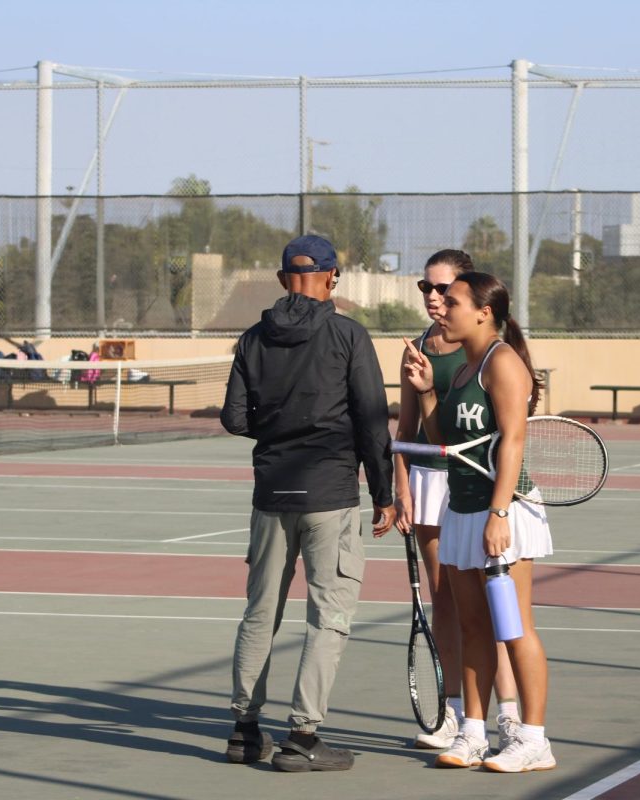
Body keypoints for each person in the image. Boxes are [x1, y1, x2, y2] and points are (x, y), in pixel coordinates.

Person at [220, 234, 396, 772]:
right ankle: (302, 736)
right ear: (333, 277)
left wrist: (276, 431)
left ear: (281, 279)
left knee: (259, 612)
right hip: (330, 494)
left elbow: (234, 418)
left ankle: (244, 731)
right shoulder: (348, 334)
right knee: (329, 617)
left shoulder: (253, 339)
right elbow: (371, 420)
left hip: (272, 493)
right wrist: (384, 494)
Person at [403, 272, 556, 774]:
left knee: (514, 629)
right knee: (472, 628)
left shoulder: (503, 362)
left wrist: (500, 512)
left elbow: (513, 441)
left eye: (452, 301)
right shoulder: (465, 368)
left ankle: (533, 738)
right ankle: (472, 732)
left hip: (502, 513)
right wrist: (427, 392)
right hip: (462, 509)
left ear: (483, 312)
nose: (441, 308)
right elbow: (444, 442)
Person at [393, 250, 522, 752]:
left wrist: (500, 507)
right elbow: (412, 428)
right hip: (432, 485)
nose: (433, 299)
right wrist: (399, 487)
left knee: (494, 608)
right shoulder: (420, 346)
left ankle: (510, 717)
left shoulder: (491, 352)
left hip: (479, 486)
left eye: (443, 291)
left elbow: (509, 432)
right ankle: (456, 715)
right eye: (426, 289)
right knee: (448, 598)